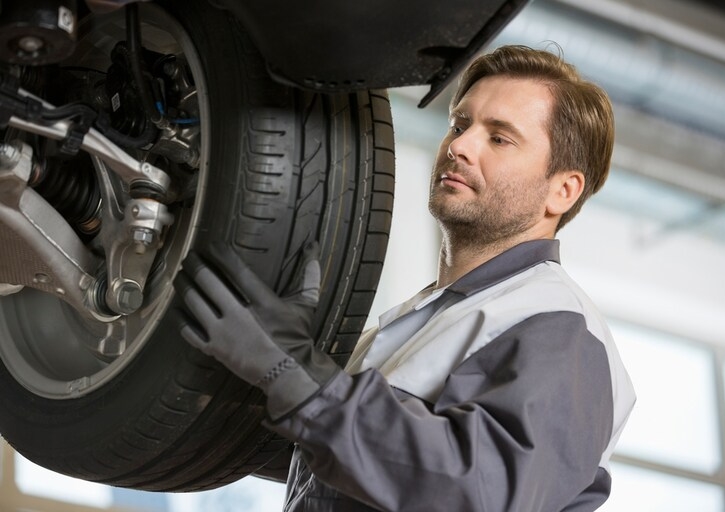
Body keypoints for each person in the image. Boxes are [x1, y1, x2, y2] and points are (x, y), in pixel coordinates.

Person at [174, 44, 636, 512]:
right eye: (460, 125)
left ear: (562, 190)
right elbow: (361, 473)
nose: (459, 145)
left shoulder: (557, 327)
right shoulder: (419, 324)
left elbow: (481, 493)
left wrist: (298, 377)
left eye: (499, 138)